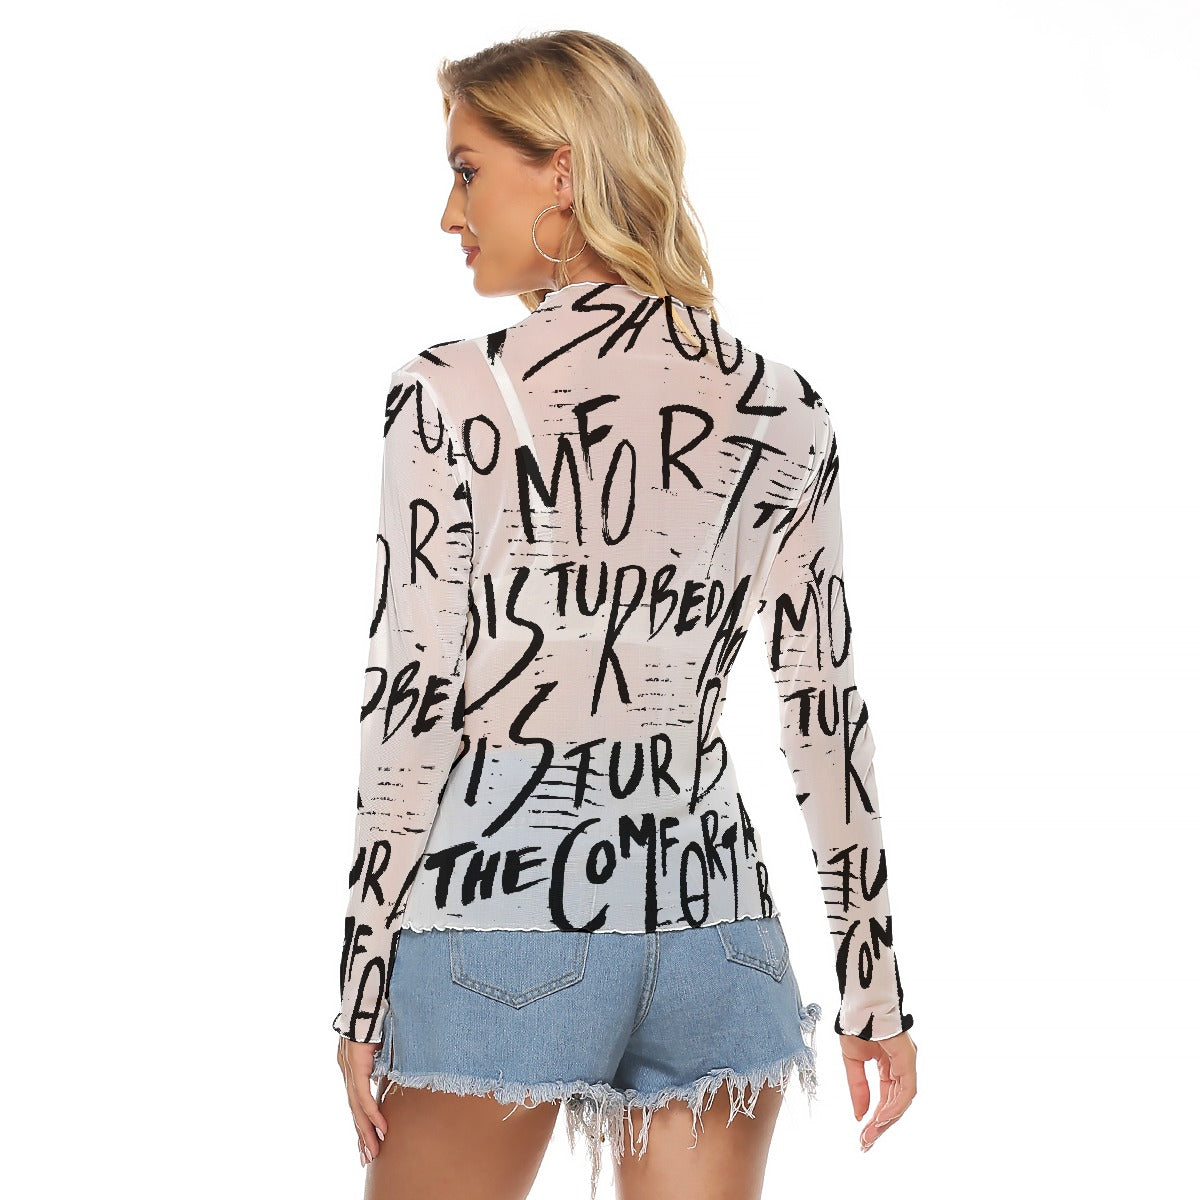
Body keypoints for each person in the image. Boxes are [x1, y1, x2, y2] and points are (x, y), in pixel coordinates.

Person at [334, 29, 918, 1200]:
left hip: (502, 915)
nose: (450, 215)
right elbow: (823, 711)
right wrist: (875, 990)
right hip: (719, 930)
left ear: (561, 171)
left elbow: (412, 703)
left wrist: (358, 989)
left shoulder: (449, 393)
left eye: (466, 171)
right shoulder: (786, 409)